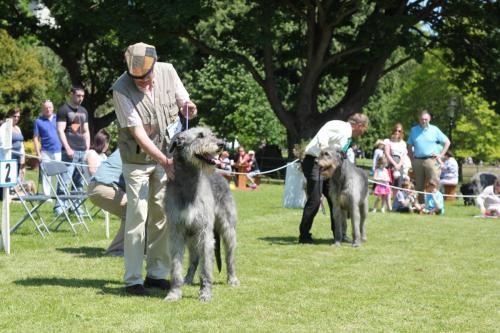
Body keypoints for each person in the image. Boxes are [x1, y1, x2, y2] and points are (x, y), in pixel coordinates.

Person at [112, 42, 197, 296]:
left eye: (146, 78)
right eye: (135, 79)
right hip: (137, 162)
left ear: (154, 67)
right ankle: (133, 280)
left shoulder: (169, 71)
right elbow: (139, 134)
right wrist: (164, 160)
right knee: (137, 217)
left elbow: (183, 100)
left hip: (165, 158)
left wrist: (188, 106)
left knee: (161, 215)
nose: (141, 83)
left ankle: (157, 274)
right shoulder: (120, 89)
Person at [298, 113, 369, 244]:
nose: (362, 133)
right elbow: (323, 134)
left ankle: (340, 235)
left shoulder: (347, 135)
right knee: (314, 200)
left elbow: (341, 156)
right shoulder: (340, 126)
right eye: (363, 129)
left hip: (330, 168)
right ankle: (304, 235)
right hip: (315, 162)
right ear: (359, 125)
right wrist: (324, 151)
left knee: (334, 201)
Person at [55, 86, 90, 214]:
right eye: (78, 95)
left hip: (82, 151)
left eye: (82, 96)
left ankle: (76, 208)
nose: (80, 98)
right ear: (72, 94)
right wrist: (68, 148)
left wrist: (88, 148)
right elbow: (60, 130)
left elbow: (86, 131)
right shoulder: (64, 110)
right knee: (65, 180)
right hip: (69, 151)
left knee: (79, 182)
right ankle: (60, 207)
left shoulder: (84, 111)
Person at [87, 149, 126, 256]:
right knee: (137, 213)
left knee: (133, 213)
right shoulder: (135, 148)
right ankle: (116, 250)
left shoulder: (126, 145)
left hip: (96, 185)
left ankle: (136, 247)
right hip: (105, 187)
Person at [407, 110, 450, 203]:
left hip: (431, 160)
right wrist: (412, 160)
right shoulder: (414, 130)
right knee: (419, 185)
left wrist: (441, 155)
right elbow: (409, 145)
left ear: (429, 119)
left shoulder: (435, 129)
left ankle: (435, 206)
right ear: (419, 119)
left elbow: (447, 142)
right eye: (422, 119)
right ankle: (421, 206)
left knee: (434, 183)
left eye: (426, 119)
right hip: (417, 161)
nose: (424, 121)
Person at [33, 100, 62, 196]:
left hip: (58, 150)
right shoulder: (38, 121)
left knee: (59, 174)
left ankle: (57, 194)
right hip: (45, 151)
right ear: (42, 109)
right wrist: (38, 153)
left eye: (49, 107)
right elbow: (36, 138)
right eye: (45, 108)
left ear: (53, 108)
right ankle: (47, 196)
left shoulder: (58, 119)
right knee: (46, 175)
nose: (48, 109)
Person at [384, 123, 408, 189]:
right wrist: (394, 164)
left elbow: (404, 155)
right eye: (396, 130)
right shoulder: (388, 141)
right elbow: (387, 153)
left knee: (397, 185)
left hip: (400, 163)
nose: (397, 132)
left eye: (399, 131)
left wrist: (399, 165)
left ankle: (395, 199)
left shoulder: (403, 143)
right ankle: (388, 199)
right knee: (388, 184)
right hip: (390, 162)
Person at [7, 107, 26, 181]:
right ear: (10, 116)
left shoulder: (18, 128)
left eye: (18, 116)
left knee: (15, 180)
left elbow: (21, 144)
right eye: (14, 116)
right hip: (9, 158)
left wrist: (23, 158)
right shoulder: (5, 127)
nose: (16, 118)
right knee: (8, 182)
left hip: (18, 158)